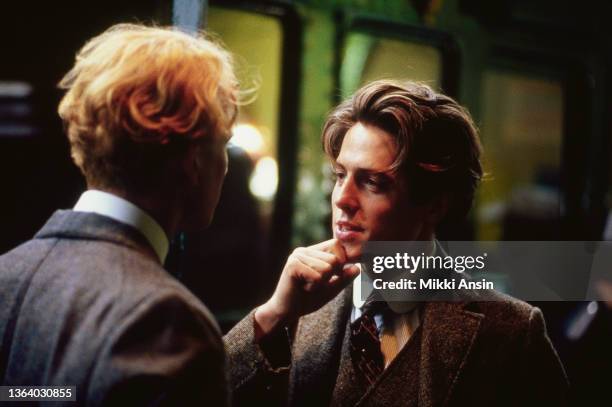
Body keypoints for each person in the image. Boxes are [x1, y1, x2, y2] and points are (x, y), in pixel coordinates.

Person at [225, 80, 569, 406]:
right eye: (339, 176)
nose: (342, 199)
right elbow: (194, 394)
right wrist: (271, 316)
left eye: (372, 182)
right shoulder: (300, 308)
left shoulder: (509, 331)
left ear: (434, 204)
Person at [0, 24, 239, 405]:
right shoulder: (165, 323)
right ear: (193, 160)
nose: (226, 165)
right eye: (224, 143)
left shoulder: (8, 273)